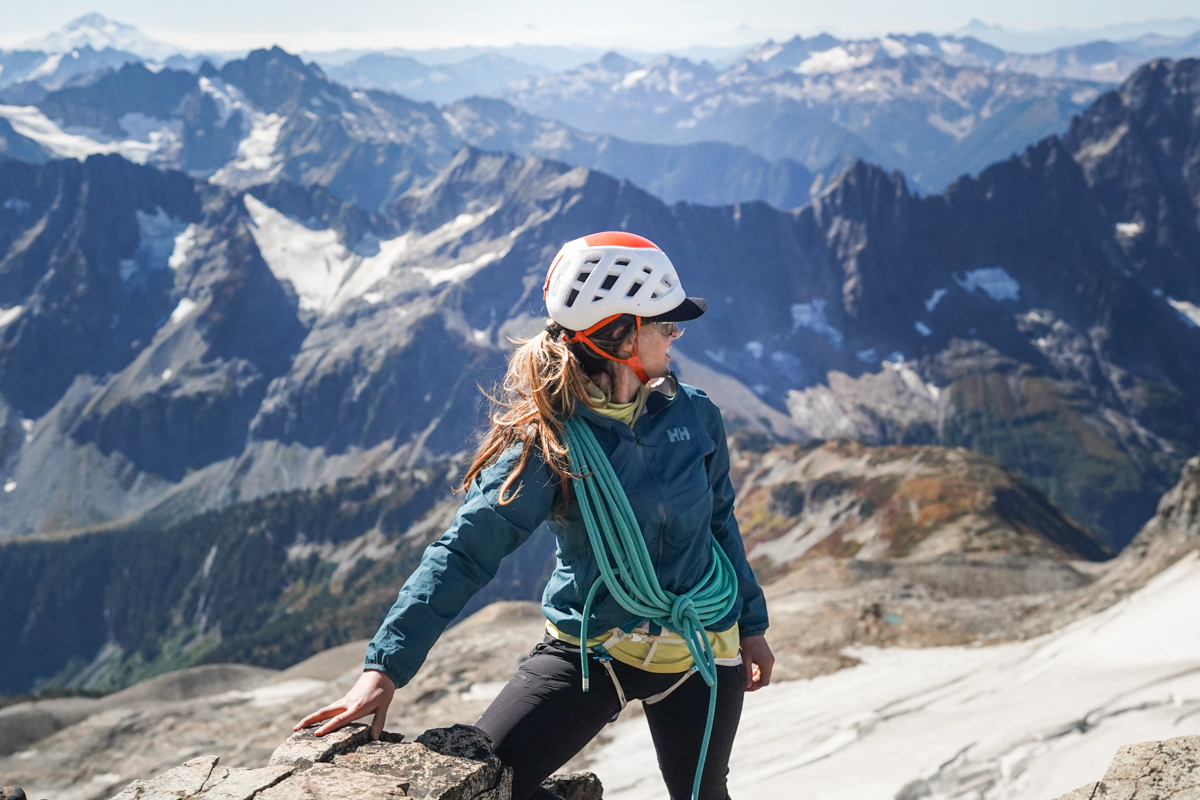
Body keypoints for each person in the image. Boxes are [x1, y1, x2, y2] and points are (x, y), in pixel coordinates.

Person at [296, 231, 773, 800]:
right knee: (486, 787)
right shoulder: (548, 442)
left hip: (702, 648)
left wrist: (751, 626)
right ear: (621, 335)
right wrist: (384, 669)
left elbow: (720, 523)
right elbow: (464, 553)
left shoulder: (695, 414)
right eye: (665, 323)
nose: (677, 335)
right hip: (591, 649)